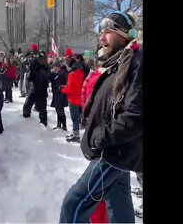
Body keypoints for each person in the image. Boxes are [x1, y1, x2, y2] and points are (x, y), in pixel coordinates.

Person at [59, 11, 142, 223]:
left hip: (114, 152)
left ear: (124, 35)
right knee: (118, 202)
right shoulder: (118, 61)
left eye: (108, 32)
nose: (102, 37)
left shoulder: (136, 62)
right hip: (116, 149)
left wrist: (97, 138)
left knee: (74, 205)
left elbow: (134, 116)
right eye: (101, 33)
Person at [22, 50, 50, 126]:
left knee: (43, 108)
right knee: (28, 104)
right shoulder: (34, 66)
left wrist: (41, 70)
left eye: (43, 59)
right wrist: (32, 69)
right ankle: (26, 115)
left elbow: (48, 77)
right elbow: (29, 78)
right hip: (33, 88)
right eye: (40, 59)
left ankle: (43, 121)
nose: (41, 61)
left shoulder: (46, 67)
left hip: (42, 90)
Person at [61, 55, 85, 142]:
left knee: (74, 118)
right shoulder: (80, 73)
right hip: (78, 97)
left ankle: (76, 135)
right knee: (77, 117)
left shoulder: (71, 75)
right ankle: (75, 132)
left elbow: (70, 90)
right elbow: (74, 86)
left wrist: (63, 89)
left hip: (73, 99)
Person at [50, 60, 69, 131]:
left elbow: (59, 82)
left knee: (60, 110)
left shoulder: (61, 73)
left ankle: (64, 126)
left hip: (60, 94)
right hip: (58, 94)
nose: (53, 68)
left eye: (54, 67)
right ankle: (59, 124)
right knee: (58, 109)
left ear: (57, 67)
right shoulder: (59, 73)